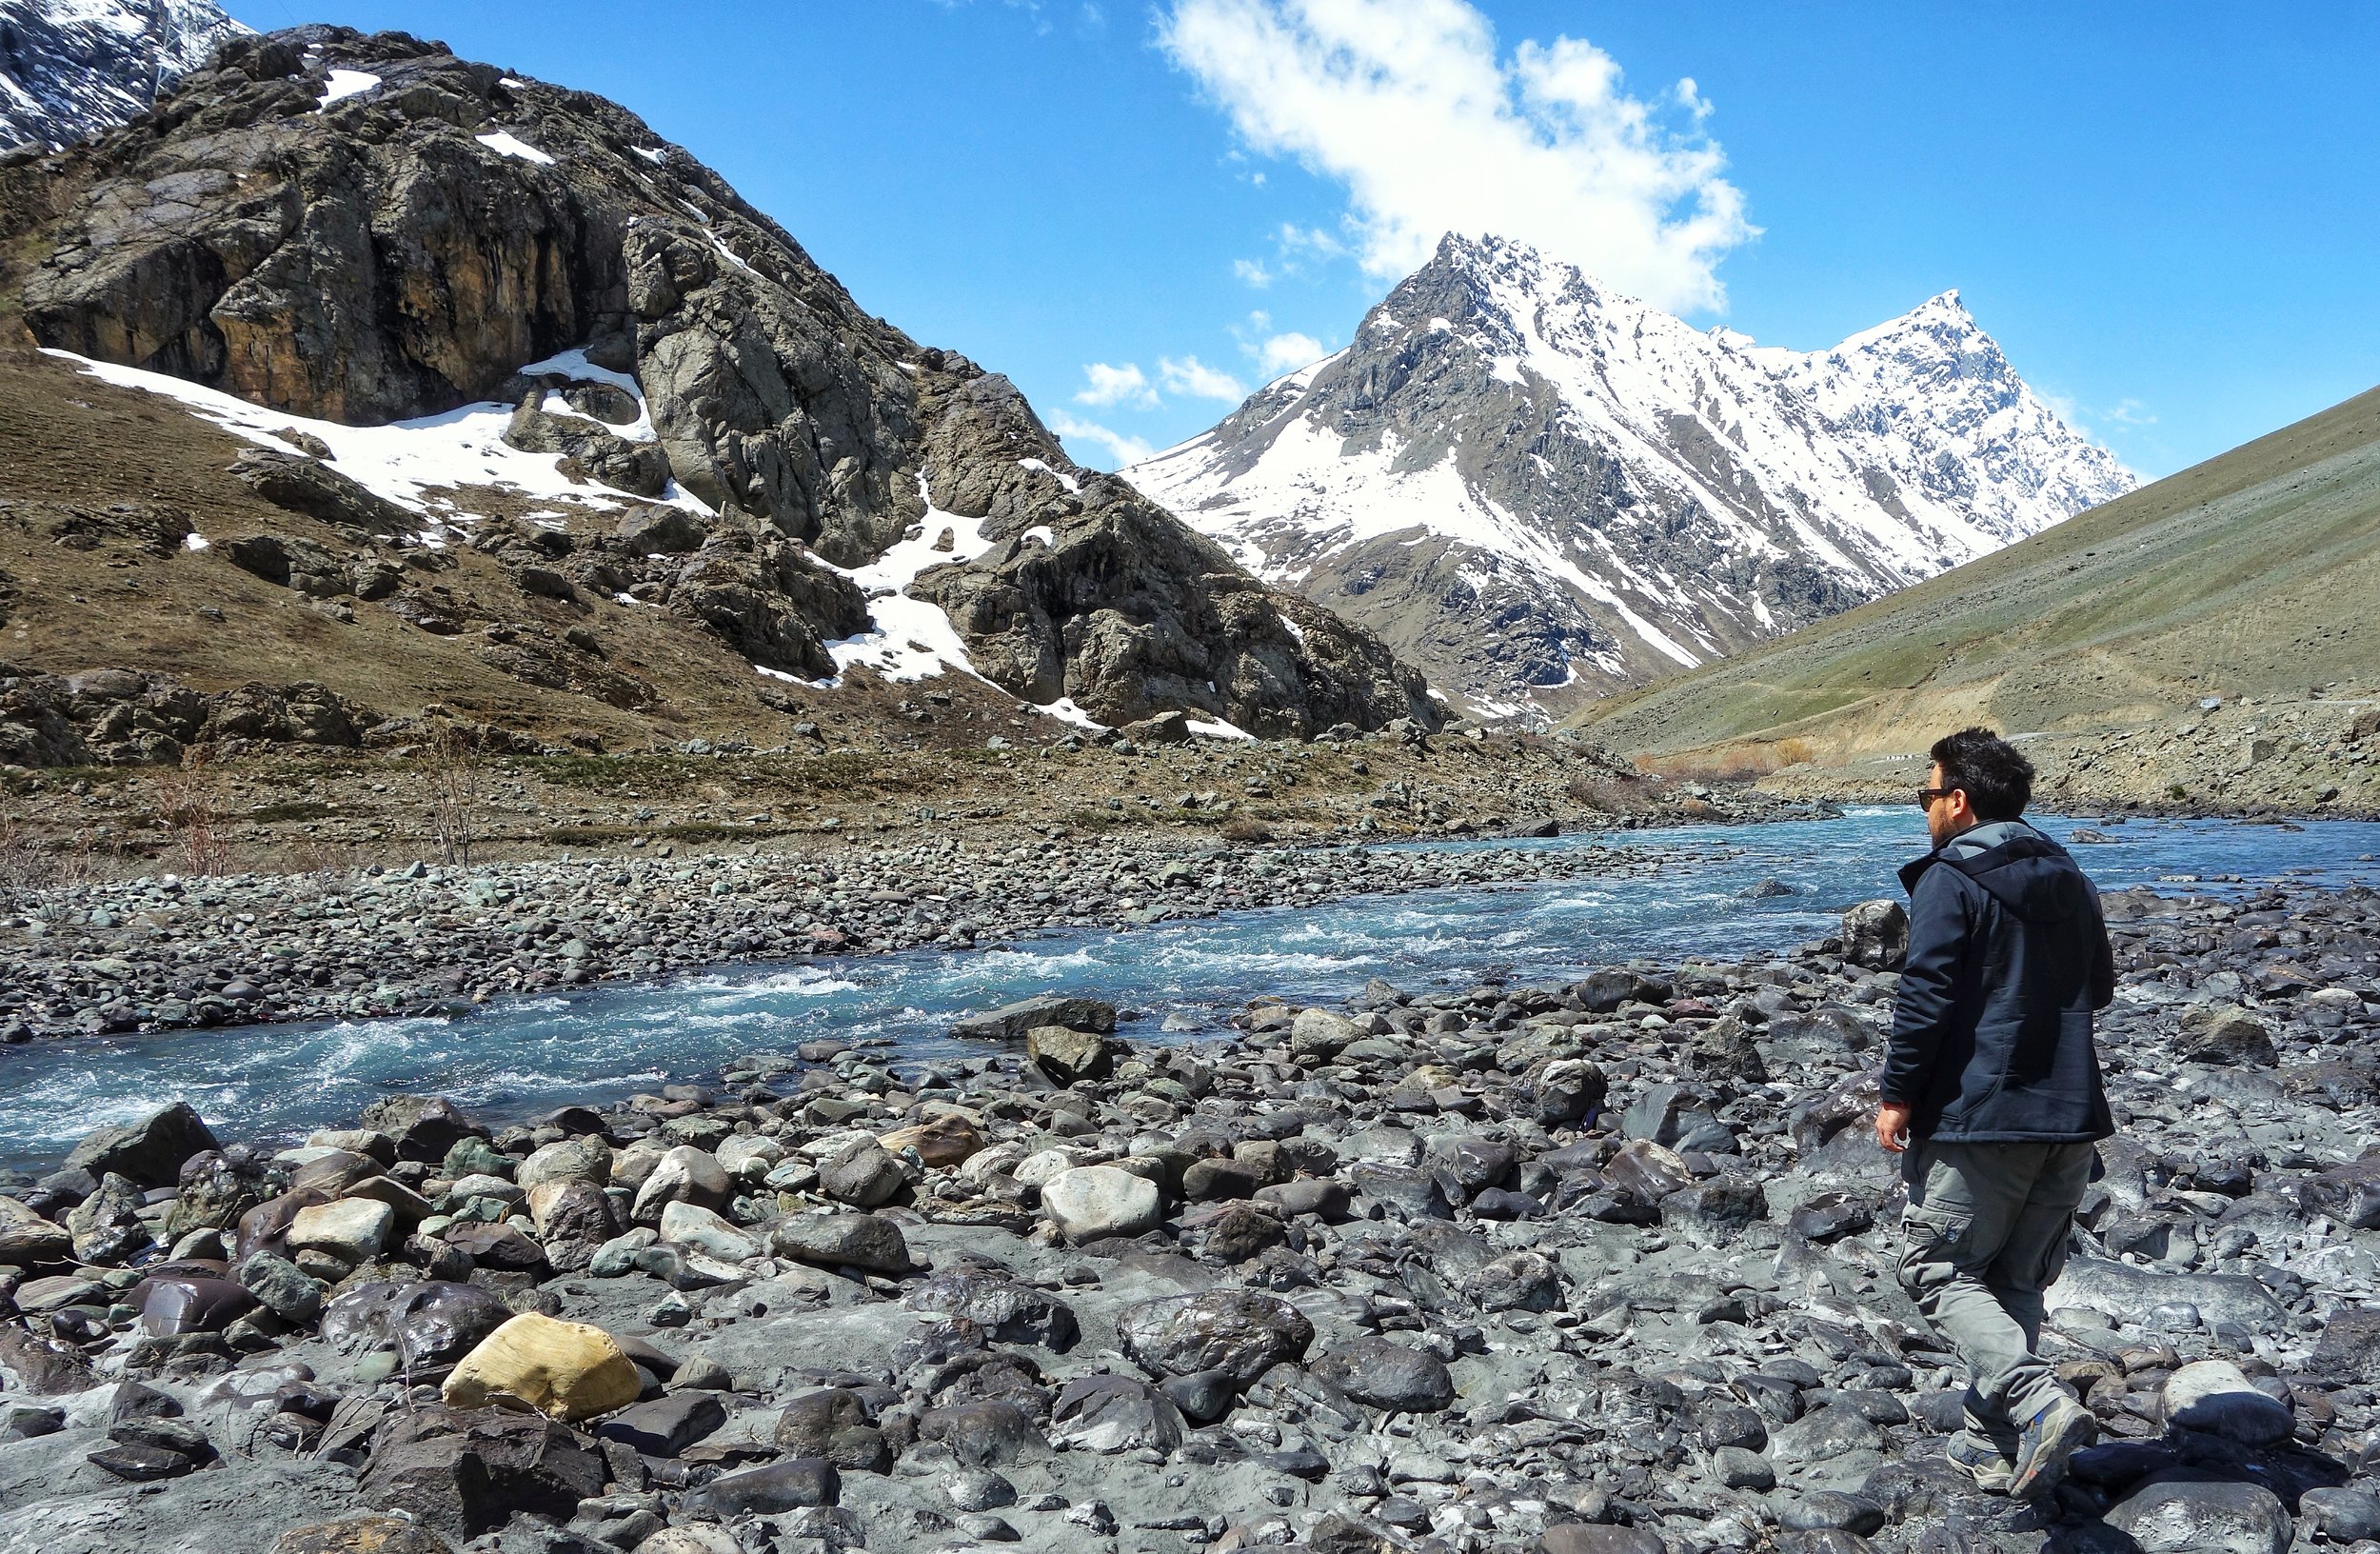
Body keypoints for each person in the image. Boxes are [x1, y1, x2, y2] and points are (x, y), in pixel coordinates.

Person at [1874, 727, 2116, 1501]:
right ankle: (2005, 1447)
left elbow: (1926, 997)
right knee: (2017, 1276)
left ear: (1959, 799)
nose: (1925, 810)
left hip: (1984, 1115)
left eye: (1928, 793)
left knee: (1936, 1268)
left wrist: (1897, 1095)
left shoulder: (1952, 875)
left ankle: (2036, 1399)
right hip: (2071, 1112)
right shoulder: (2067, 872)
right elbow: (2099, 986)